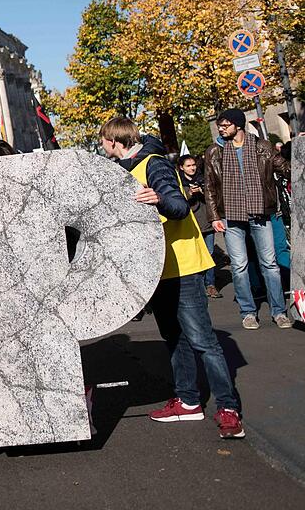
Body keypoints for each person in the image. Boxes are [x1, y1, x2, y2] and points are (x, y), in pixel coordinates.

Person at [100, 117, 243, 439]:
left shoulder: (153, 164)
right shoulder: (128, 167)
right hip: (159, 269)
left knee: (203, 341)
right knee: (175, 338)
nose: (101, 146)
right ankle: (189, 401)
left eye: (102, 141)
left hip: (183, 265)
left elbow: (179, 207)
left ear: (113, 140)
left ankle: (228, 408)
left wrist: (160, 199)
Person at [203, 109, 292, 330]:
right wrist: (214, 217)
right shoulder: (215, 151)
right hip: (231, 216)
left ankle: (279, 312)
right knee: (239, 266)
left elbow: (286, 168)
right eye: (220, 126)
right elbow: (210, 186)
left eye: (225, 125)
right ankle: (248, 312)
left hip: (260, 212)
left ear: (238, 125)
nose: (221, 129)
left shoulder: (263, 147)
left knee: (269, 264)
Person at [177, 155, 219, 298]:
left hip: (207, 221)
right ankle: (198, 285)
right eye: (188, 166)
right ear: (182, 167)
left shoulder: (204, 179)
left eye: (193, 165)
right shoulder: (178, 183)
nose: (192, 168)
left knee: (210, 253)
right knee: (195, 256)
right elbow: (177, 201)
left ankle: (210, 284)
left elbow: (214, 196)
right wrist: (189, 193)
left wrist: (203, 191)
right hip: (192, 224)